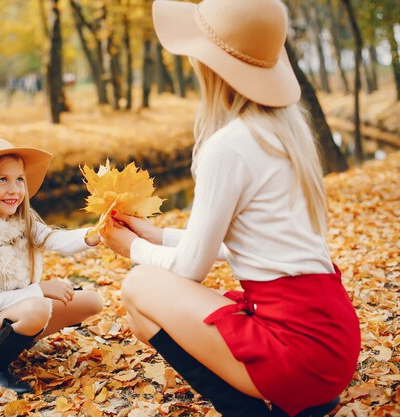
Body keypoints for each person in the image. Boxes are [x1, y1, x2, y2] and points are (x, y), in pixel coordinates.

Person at [100, 0, 361, 416]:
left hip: (296, 352)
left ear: (211, 66)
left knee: (137, 287)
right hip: (333, 342)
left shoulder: (229, 146)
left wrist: (130, 249)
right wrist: (157, 235)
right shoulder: (285, 134)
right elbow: (248, 245)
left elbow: (189, 271)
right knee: (147, 295)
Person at [0, 138, 103, 396]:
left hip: (19, 312)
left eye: (20, 179)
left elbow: (54, 238)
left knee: (92, 301)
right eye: (2, 180)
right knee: (37, 307)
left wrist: (93, 234)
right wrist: (40, 289)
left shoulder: (21, 221)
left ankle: (19, 339)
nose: (14, 189)